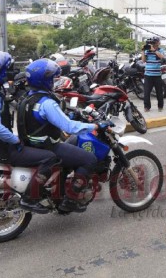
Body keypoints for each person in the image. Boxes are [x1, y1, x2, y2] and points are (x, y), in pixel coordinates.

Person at [17, 58, 113, 213]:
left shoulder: (26, 98)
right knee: (89, 159)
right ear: (44, 81)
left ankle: (61, 191)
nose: (55, 81)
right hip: (48, 146)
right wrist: (93, 125)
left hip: (32, 145)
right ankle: (71, 199)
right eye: (52, 78)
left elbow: (46, 119)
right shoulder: (47, 103)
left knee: (73, 144)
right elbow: (68, 126)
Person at [0, 51, 59, 214]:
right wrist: (14, 140)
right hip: (4, 150)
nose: (9, 72)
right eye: (6, 69)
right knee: (50, 157)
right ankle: (29, 198)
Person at [141, 36, 166, 112]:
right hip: (148, 75)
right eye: (152, 42)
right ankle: (147, 107)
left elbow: (162, 57)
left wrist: (154, 50)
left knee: (159, 92)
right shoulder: (147, 50)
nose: (153, 43)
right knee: (147, 92)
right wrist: (142, 51)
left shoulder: (160, 50)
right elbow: (143, 60)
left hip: (157, 75)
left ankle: (160, 106)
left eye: (154, 42)